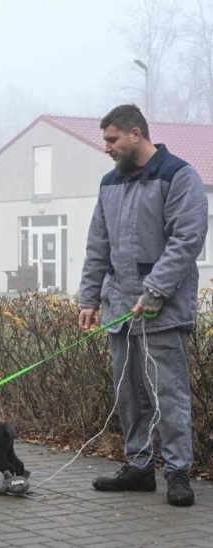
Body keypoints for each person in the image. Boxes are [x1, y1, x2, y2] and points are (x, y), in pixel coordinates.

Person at [78, 104, 208, 508]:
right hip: (120, 310)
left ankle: (177, 472)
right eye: (105, 141)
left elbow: (187, 240)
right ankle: (139, 467)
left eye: (112, 139)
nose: (107, 148)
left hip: (162, 313)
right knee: (130, 395)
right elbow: (98, 244)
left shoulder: (178, 176)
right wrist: (88, 296)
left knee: (169, 396)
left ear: (136, 135)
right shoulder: (109, 185)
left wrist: (154, 292)